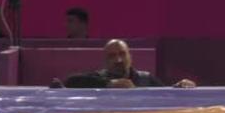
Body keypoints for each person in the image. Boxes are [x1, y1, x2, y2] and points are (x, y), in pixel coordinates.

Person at [62, 39, 196, 88]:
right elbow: (71, 81)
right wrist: (109, 84)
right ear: (105, 61)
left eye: (122, 54)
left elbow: (166, 96)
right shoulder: (98, 78)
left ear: (130, 56)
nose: (118, 60)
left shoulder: (146, 79)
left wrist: (181, 86)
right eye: (112, 56)